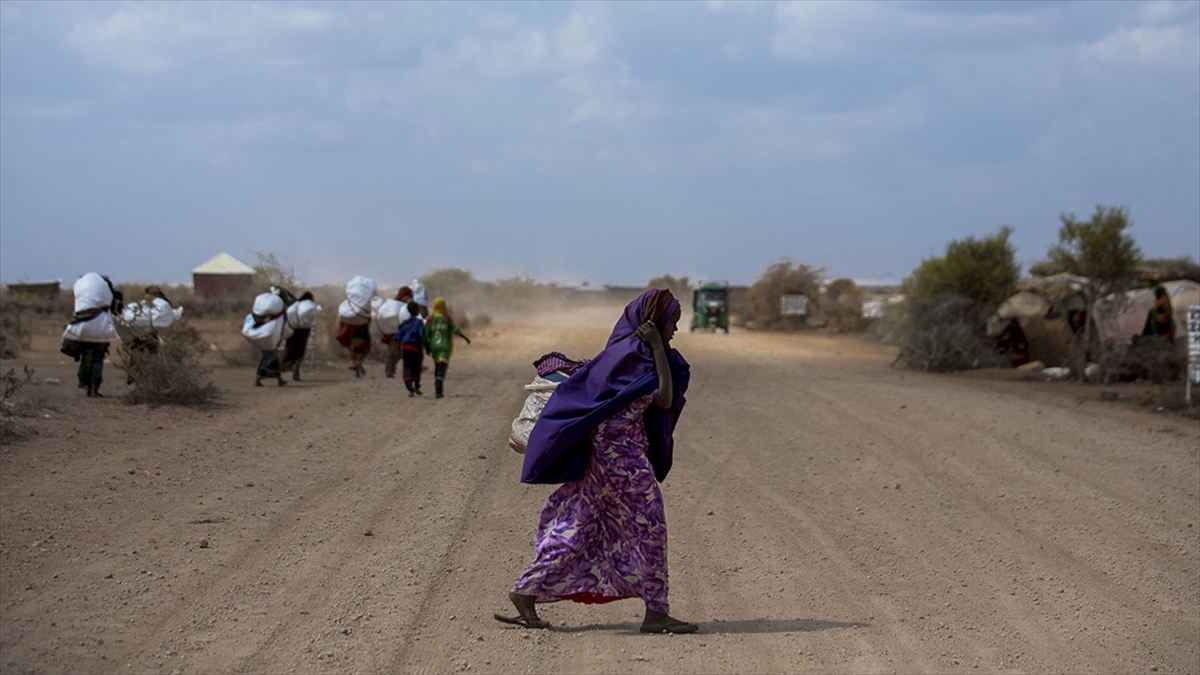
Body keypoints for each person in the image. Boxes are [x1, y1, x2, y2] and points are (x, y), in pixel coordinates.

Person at [495, 288, 696, 634]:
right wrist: (660, 351)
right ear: (654, 323)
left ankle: (526, 589)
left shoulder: (618, 355)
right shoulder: (639, 358)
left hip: (601, 461)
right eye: (671, 324)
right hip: (624, 462)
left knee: (581, 523)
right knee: (650, 527)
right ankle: (656, 612)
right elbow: (663, 398)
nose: (674, 331)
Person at [62, 273, 123, 398]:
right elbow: (117, 312)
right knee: (98, 357)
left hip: (82, 325)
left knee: (86, 355)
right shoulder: (113, 295)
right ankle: (94, 387)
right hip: (101, 327)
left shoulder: (83, 291)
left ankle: (84, 381)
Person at [422, 297, 470, 398]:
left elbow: (426, 334)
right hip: (444, 346)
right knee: (442, 367)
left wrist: (427, 348)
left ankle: (437, 382)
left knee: (437, 365)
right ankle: (439, 386)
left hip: (434, 346)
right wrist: (465, 338)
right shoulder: (447, 318)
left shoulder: (430, 319)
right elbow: (455, 329)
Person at [280, 291, 320, 381]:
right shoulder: (308, 308)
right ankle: (296, 371)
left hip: (293, 330)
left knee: (289, 349)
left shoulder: (295, 304)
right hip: (303, 332)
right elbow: (313, 321)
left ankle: (284, 366)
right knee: (300, 352)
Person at [380, 287, 414, 379]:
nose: (407, 298)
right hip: (393, 334)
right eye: (406, 296)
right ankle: (389, 371)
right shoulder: (394, 305)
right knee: (393, 354)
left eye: (409, 297)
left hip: (402, 334)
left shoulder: (405, 306)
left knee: (403, 353)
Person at [395, 301, 426, 396]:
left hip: (406, 348)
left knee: (407, 367)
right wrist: (426, 345)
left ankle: (410, 387)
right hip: (417, 348)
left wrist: (399, 350)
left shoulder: (404, 323)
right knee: (417, 367)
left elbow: (398, 337)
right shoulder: (419, 322)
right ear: (417, 311)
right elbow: (421, 335)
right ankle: (417, 386)